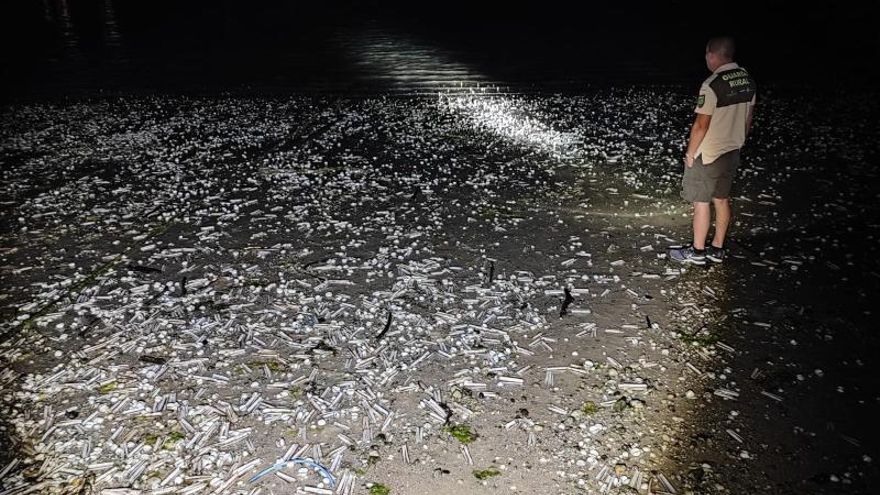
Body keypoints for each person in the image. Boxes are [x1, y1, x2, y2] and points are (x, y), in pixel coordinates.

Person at [670, 36, 756, 265]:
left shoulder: (712, 84)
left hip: (708, 153)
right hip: (732, 150)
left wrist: (690, 153)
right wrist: (739, 141)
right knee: (722, 199)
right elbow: (748, 117)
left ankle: (697, 252)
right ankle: (717, 248)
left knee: (701, 202)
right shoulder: (747, 80)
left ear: (711, 55)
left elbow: (701, 125)